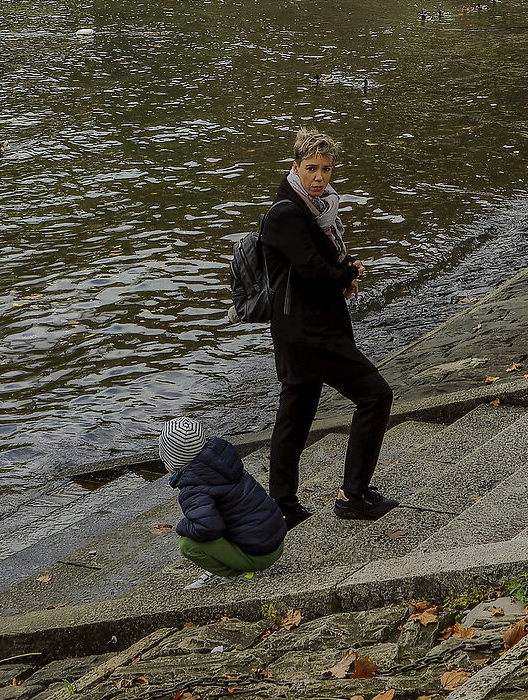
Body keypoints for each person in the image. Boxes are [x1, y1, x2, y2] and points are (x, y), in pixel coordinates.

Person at [261, 127, 396, 525]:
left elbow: (321, 264)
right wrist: (347, 272)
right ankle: (352, 496)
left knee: (295, 418)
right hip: (309, 333)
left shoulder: (318, 209)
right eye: (311, 169)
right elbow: (313, 270)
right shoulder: (287, 212)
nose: (320, 177)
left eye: (326, 169)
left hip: (305, 329)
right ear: (295, 167)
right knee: (375, 397)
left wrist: (343, 273)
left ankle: (283, 507)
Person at [158, 415, 288, 582]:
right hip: (275, 540)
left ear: (173, 462)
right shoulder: (223, 464)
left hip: (261, 554)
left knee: (188, 545)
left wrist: (182, 526)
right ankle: (235, 562)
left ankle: (237, 574)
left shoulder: (193, 490)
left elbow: (208, 528)